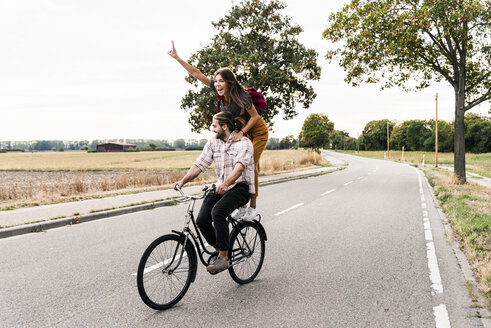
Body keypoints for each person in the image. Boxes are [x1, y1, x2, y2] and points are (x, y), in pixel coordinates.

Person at [168, 40, 268, 221]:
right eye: (216, 81)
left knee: (249, 164)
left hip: (256, 131)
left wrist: (242, 133)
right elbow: (196, 73)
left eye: (221, 81)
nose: (217, 84)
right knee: (232, 164)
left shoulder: (241, 96)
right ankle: (241, 206)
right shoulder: (218, 91)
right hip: (240, 131)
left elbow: (255, 117)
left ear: (229, 82)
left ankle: (251, 208)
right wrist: (177, 58)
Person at [173, 111, 255, 273]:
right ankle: (221, 248)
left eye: (214, 125)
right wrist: (183, 181)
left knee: (217, 212)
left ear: (224, 126)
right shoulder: (213, 143)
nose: (212, 129)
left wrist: (226, 184)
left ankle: (224, 257)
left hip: (240, 187)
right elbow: (200, 164)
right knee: (202, 219)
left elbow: (239, 168)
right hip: (221, 186)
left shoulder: (244, 143)